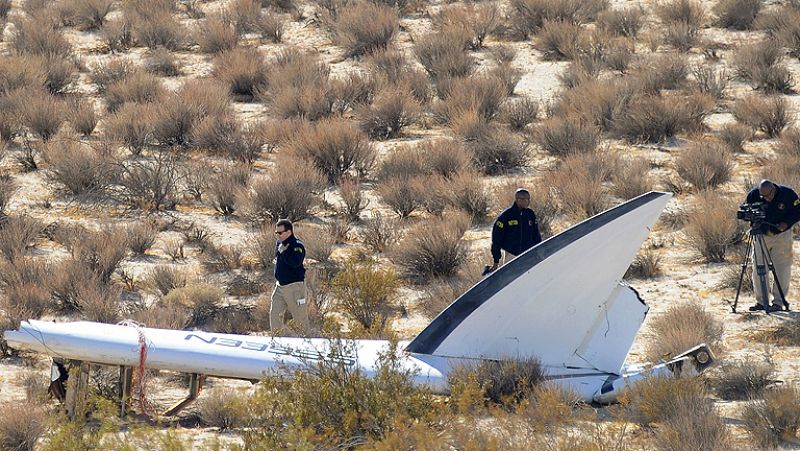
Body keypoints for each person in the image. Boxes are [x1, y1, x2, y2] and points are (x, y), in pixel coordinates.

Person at [745, 180, 800, 312]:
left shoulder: (788, 194)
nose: (766, 199)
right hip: (761, 234)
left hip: (781, 235)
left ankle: (778, 302)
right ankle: (761, 301)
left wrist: (786, 223)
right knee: (758, 268)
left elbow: (798, 211)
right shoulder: (753, 195)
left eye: (768, 196)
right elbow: (745, 210)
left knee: (782, 268)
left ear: (773, 190)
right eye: (763, 196)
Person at [489, 188, 542, 272]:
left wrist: (539, 251)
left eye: (528, 199)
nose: (527, 201)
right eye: (524, 199)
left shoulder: (530, 214)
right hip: (511, 255)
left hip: (529, 254)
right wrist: (496, 261)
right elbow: (496, 239)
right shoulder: (506, 216)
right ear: (518, 200)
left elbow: (536, 235)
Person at [270, 219, 309, 330]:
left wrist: (285, 252)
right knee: (275, 316)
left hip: (294, 287)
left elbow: (295, 263)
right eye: (276, 233)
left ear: (289, 232)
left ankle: (306, 343)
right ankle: (277, 341)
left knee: (300, 318)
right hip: (280, 286)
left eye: (280, 233)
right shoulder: (279, 244)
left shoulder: (297, 246)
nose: (278, 235)